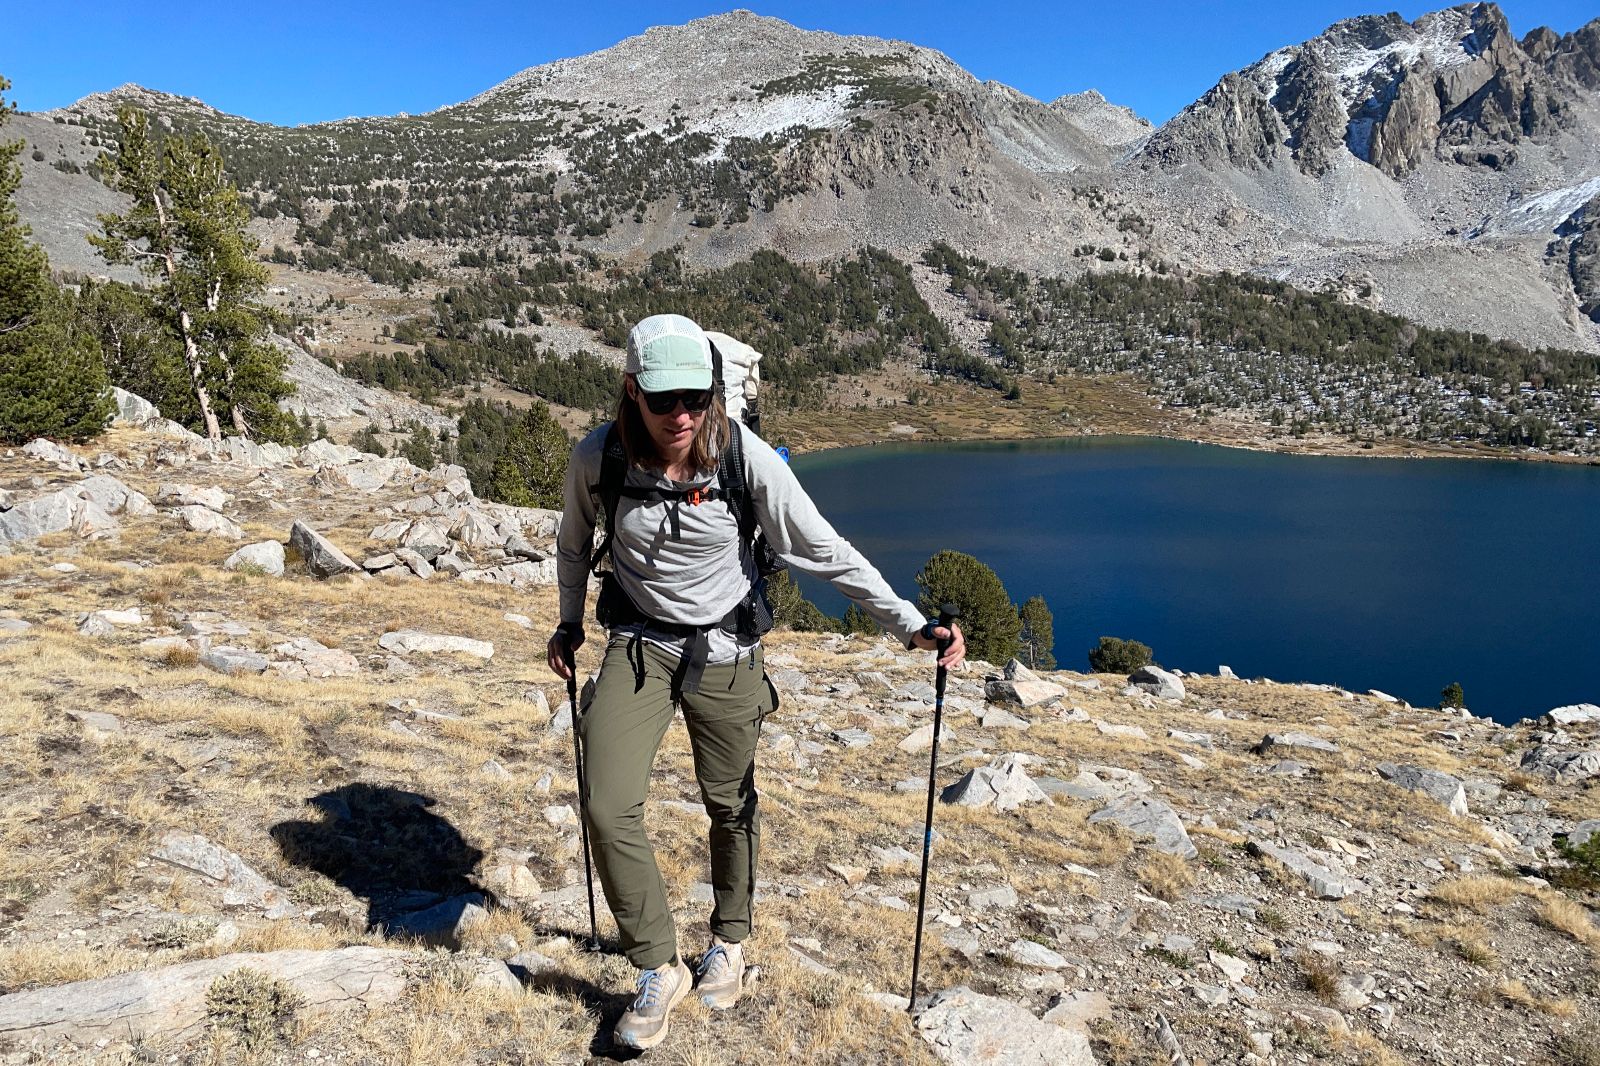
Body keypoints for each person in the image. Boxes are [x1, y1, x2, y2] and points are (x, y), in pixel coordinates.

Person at [547, 313, 965, 1051]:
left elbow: (822, 550)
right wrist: (570, 623)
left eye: (697, 399)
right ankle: (657, 965)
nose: (682, 415)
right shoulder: (599, 459)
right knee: (607, 805)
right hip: (639, 646)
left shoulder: (746, 460)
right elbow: (574, 544)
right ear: (631, 393)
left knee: (729, 803)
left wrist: (910, 623)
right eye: (665, 400)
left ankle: (729, 945)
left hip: (729, 653)